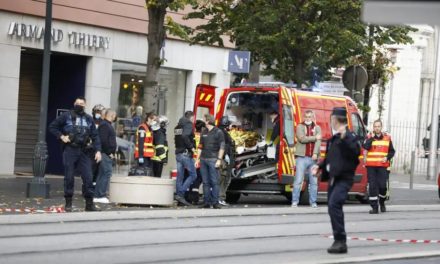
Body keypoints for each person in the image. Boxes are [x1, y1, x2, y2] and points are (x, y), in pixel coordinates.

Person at [312, 107, 361, 254]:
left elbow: (355, 151)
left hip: (344, 178)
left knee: (334, 204)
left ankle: (340, 240)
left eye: (332, 119)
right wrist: (319, 167)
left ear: (335, 119)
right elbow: (329, 157)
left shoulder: (350, 137)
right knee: (332, 207)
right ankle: (338, 240)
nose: (331, 122)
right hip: (334, 178)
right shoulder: (334, 139)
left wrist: (345, 136)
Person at [48, 96, 102, 212]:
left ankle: (89, 204)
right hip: (70, 150)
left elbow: (95, 136)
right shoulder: (66, 116)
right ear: (74, 103)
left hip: (84, 151)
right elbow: (52, 127)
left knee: (88, 177)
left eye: (81, 103)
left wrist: (98, 151)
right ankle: (68, 203)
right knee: (69, 177)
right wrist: (62, 136)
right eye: (77, 103)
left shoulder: (88, 119)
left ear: (85, 105)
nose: (79, 105)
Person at [363, 120, 395, 214]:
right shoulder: (369, 137)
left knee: (382, 187)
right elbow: (365, 146)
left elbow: (392, 151)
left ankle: (382, 202)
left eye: (378, 126)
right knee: (372, 187)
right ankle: (374, 207)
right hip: (371, 167)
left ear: (381, 127)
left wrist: (387, 157)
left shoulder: (387, 138)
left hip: (382, 166)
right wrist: (371, 139)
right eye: (375, 126)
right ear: (373, 127)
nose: (377, 128)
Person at [292, 110, 322, 208]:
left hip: (313, 158)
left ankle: (313, 202)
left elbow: (318, 142)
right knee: (298, 180)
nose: (308, 118)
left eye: (310, 117)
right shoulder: (299, 127)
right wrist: (314, 137)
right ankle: (295, 201)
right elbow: (302, 139)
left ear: (313, 117)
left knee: (314, 181)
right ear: (304, 117)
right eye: (306, 117)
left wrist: (315, 153)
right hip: (301, 157)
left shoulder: (317, 128)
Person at [196, 114, 225, 209]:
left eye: (204, 119)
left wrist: (219, 160)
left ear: (208, 121)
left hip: (213, 160)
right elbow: (200, 146)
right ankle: (206, 202)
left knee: (214, 182)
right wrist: (197, 159)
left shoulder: (218, 132)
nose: (203, 121)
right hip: (203, 159)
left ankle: (215, 202)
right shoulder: (204, 131)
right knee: (205, 182)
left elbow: (222, 147)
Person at [94, 109, 117, 204]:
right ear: (112, 115)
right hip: (105, 154)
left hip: (105, 153)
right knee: (106, 173)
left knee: (103, 173)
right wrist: (109, 153)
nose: (115, 118)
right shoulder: (105, 125)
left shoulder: (105, 125)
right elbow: (103, 141)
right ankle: (100, 195)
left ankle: (98, 194)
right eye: (115, 116)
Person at [174, 111, 197, 206]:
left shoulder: (178, 126)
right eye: (193, 118)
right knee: (193, 175)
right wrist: (191, 147)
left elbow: (177, 139)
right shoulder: (188, 124)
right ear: (191, 117)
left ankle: (180, 198)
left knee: (180, 176)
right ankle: (181, 193)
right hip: (185, 154)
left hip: (178, 154)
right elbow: (185, 136)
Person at [218, 116, 235, 206]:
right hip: (224, 159)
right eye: (230, 124)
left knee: (222, 178)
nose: (231, 126)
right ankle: (220, 198)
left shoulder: (221, 131)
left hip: (224, 158)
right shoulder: (223, 133)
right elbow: (224, 145)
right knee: (224, 179)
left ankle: (219, 197)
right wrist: (225, 156)